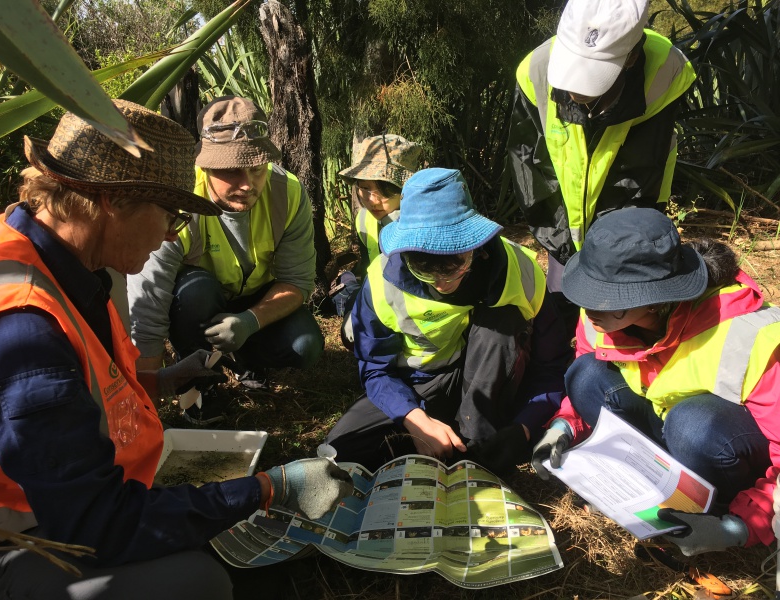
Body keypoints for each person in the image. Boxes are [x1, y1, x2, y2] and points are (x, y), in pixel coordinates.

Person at [0, 100, 354, 599]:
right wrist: (267, 489)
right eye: (170, 216)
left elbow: (76, 395)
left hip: (61, 504)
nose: (169, 235)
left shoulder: (59, 261)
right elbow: (100, 525)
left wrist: (158, 380)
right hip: (5, 542)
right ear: (114, 200)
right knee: (198, 583)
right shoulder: (23, 331)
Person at [531, 208, 780, 556]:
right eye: (586, 296)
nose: (591, 311)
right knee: (585, 374)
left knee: (692, 423)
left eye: (609, 302)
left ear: (657, 301)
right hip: (665, 434)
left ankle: (717, 508)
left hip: (724, 448)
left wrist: (740, 526)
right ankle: (649, 486)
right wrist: (563, 427)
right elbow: (587, 380)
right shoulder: (600, 317)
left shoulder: (749, 335)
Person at [326, 168, 572, 474]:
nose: (442, 281)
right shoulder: (380, 281)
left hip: (494, 382)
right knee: (340, 450)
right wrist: (415, 419)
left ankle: (477, 443)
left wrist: (525, 425)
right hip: (421, 382)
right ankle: (439, 433)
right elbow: (376, 370)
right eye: (424, 267)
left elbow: (551, 366)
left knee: (501, 323)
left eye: (455, 263)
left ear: (476, 244)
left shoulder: (520, 271)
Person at [128, 95, 324, 425]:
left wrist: (251, 320)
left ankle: (246, 361)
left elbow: (297, 280)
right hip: (194, 303)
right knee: (196, 291)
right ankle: (195, 382)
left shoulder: (287, 193)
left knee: (304, 345)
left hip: (255, 298)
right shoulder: (179, 198)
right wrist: (143, 402)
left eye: (257, 168)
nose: (247, 184)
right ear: (204, 164)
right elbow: (146, 308)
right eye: (231, 171)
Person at [506, 0, 696, 333]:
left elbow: (640, 173)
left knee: (624, 315)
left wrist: (610, 255)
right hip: (561, 224)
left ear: (632, 56)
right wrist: (562, 245)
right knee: (561, 308)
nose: (575, 91)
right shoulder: (536, 69)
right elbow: (530, 167)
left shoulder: (665, 71)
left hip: (624, 228)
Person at [330, 134, 422, 349]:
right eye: (364, 187)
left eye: (385, 188)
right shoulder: (364, 220)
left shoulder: (425, 221)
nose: (372, 200)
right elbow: (369, 266)